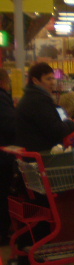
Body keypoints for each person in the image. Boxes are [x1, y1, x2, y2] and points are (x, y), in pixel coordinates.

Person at [15, 62, 74, 152]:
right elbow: (56, 131)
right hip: (42, 153)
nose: (53, 83)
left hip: (33, 151)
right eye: (48, 79)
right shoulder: (38, 101)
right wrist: (70, 123)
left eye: (53, 78)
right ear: (35, 80)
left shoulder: (30, 97)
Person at [0, 68, 15, 245]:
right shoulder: (2, 98)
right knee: (3, 194)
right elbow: (10, 125)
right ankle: (2, 232)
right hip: (3, 155)